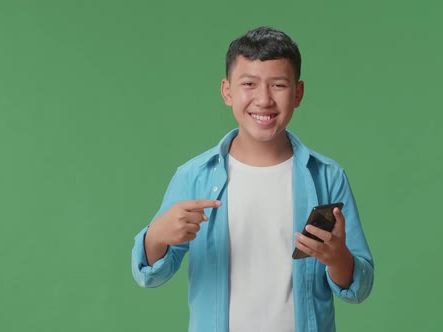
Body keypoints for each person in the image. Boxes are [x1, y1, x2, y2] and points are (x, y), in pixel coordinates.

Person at [131, 26, 374, 332]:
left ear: (298, 94)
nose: (264, 99)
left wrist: (338, 257)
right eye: (249, 83)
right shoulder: (194, 177)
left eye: (278, 85)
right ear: (227, 91)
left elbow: (359, 288)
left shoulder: (327, 177)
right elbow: (150, 275)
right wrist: (156, 235)